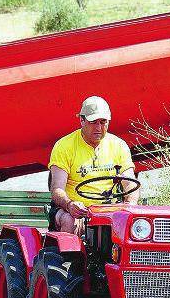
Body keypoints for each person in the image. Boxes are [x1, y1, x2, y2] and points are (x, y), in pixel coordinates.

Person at [48, 96, 139, 235]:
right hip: (72, 210)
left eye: (103, 122)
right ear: (82, 121)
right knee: (69, 221)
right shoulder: (64, 146)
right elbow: (57, 189)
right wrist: (70, 205)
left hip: (107, 210)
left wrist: (130, 205)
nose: (98, 128)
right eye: (93, 122)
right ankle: (70, 257)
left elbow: (130, 183)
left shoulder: (119, 145)